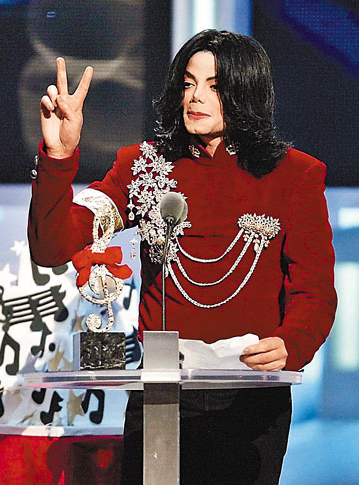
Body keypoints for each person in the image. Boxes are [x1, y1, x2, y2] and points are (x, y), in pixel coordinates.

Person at [28, 30, 337, 484]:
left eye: (214, 86)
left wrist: (294, 342)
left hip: (251, 396)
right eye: (189, 83)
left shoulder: (294, 175)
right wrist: (59, 156)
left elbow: (315, 292)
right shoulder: (142, 167)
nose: (196, 97)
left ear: (247, 91)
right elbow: (53, 246)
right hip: (159, 393)